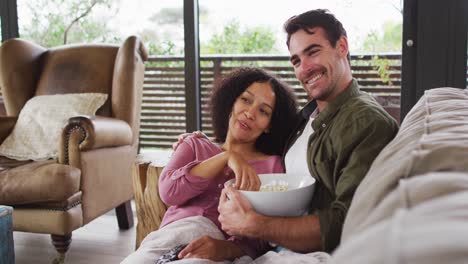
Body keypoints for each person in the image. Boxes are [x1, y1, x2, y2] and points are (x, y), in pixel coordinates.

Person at [217, 9, 399, 255]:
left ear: (342, 46)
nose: (305, 68)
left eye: (313, 52)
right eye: (296, 61)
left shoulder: (365, 122)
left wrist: (252, 225)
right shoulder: (306, 118)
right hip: (262, 248)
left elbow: (348, 223)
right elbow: (252, 141)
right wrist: (207, 145)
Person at [121, 67, 298, 263]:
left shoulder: (272, 166)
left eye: (263, 111)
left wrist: (226, 248)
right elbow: (169, 192)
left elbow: (262, 237)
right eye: (245, 100)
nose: (250, 113)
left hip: (223, 251)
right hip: (170, 237)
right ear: (231, 101)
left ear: (270, 125)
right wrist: (227, 156)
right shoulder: (194, 144)